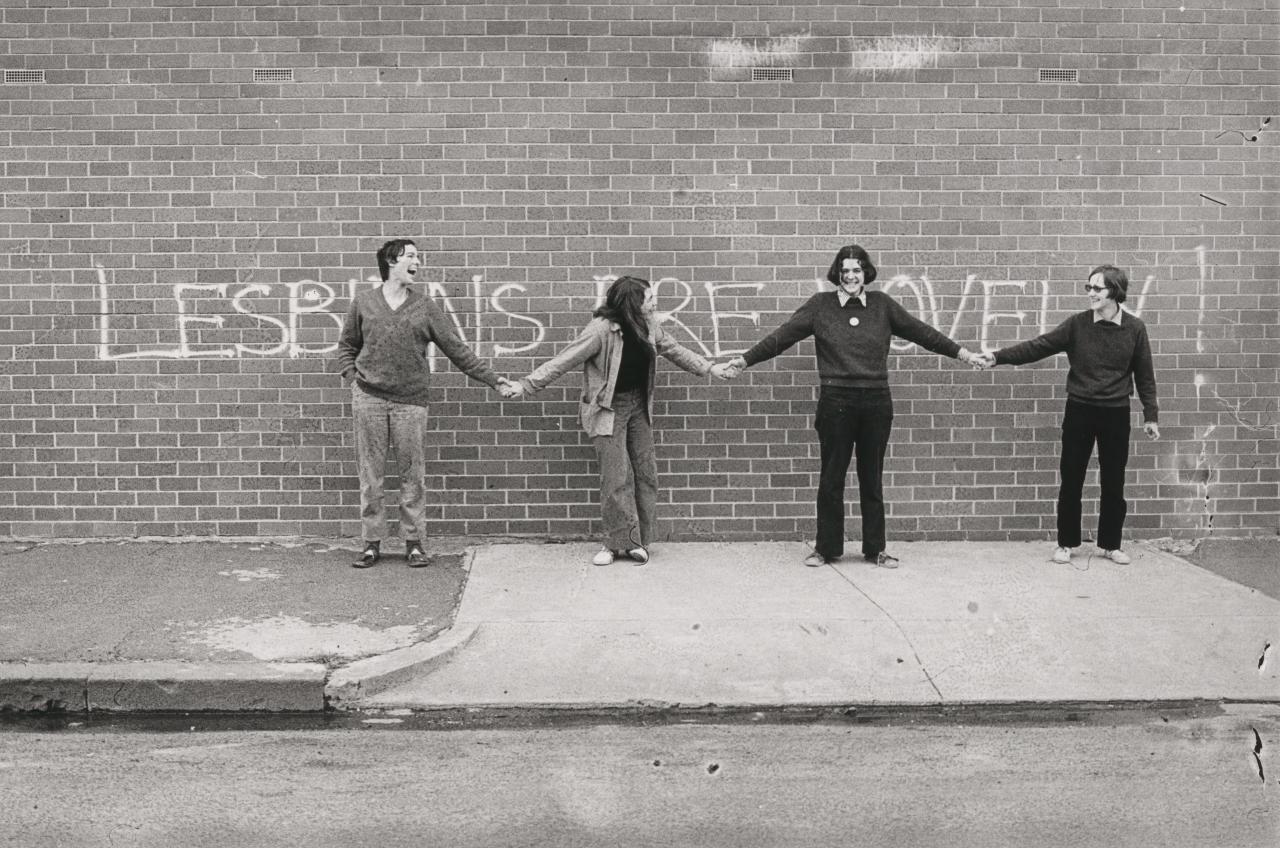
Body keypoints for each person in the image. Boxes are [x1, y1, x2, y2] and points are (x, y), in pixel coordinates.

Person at [715, 244, 981, 569]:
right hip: (835, 401)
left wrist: (963, 354)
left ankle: (876, 549)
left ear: (865, 272)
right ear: (837, 273)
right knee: (831, 478)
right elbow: (780, 337)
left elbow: (923, 333)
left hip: (876, 402)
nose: (851, 276)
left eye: (856, 269)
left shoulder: (882, 305)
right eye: (845, 270)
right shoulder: (820, 306)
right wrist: (744, 360)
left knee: (872, 478)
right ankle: (826, 549)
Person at [507, 275, 725, 566]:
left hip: (638, 407)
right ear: (633, 303)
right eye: (649, 298)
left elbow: (674, 349)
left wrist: (710, 368)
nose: (654, 302)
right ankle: (614, 543)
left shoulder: (649, 326)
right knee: (616, 478)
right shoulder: (601, 330)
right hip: (608, 409)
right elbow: (564, 359)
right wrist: (527, 385)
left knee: (646, 474)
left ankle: (638, 541)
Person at [337, 238, 518, 569]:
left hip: (411, 403)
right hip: (369, 400)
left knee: (412, 475)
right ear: (392, 262)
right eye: (411, 256)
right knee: (371, 475)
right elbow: (347, 344)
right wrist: (352, 379)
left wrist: (494, 379)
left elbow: (456, 349)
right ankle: (371, 543)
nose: (417, 261)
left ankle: (414, 543)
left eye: (417, 256)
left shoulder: (425, 306)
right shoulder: (363, 303)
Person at [976, 264, 1159, 565]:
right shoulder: (1077, 325)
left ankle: (1111, 544)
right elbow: (1039, 346)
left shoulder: (1135, 329)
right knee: (1071, 478)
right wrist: (998, 357)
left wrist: (1150, 416)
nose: (1091, 293)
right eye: (1088, 287)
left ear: (1115, 291)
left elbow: (1145, 375)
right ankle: (1066, 543)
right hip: (1080, 410)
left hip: (1116, 412)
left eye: (1097, 288)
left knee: (1114, 481)